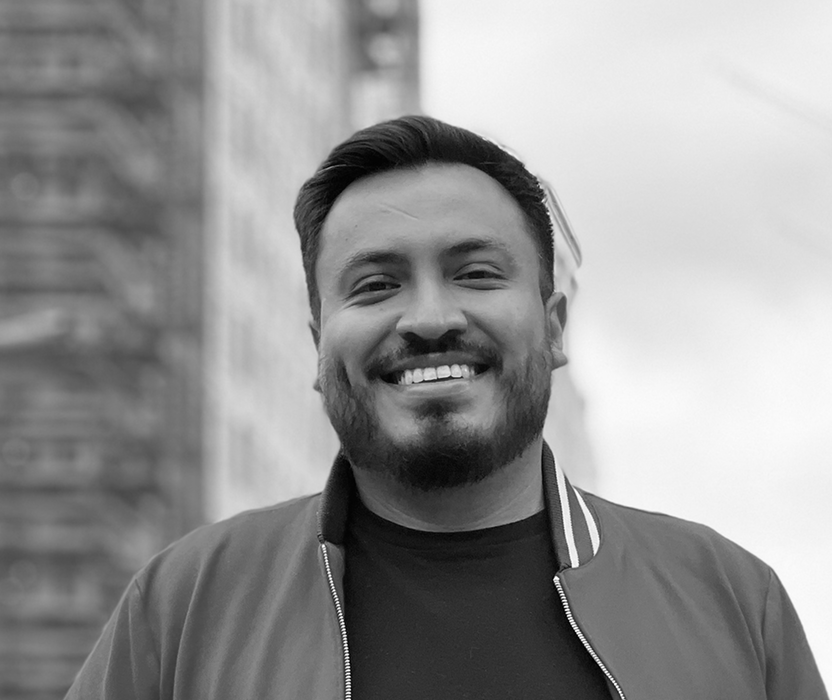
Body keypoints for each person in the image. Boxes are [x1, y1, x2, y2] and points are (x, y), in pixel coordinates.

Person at [65, 115, 827, 700]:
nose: (429, 318)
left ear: (554, 327)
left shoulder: (729, 600)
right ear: (319, 347)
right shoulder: (186, 605)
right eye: (374, 284)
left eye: (476, 273)